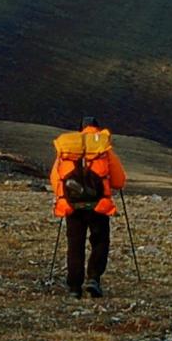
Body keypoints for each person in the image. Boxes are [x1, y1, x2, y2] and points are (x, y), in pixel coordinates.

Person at [50, 117, 127, 298]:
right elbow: (119, 180)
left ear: (80, 129)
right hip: (98, 205)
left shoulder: (68, 148)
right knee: (100, 241)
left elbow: (55, 179)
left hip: (72, 205)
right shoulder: (103, 149)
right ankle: (93, 278)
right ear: (98, 128)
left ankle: (74, 287)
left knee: (75, 244)